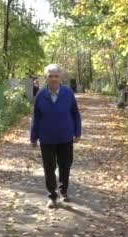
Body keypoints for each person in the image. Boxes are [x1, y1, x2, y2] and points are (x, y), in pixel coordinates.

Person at [30, 64, 82, 209]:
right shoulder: (41, 95)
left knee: (65, 165)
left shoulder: (68, 93)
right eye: (50, 76)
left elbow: (75, 114)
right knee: (49, 167)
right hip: (47, 138)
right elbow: (37, 117)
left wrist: (77, 132)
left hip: (65, 137)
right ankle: (52, 196)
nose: (54, 79)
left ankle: (63, 191)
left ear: (61, 78)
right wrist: (33, 137)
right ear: (47, 78)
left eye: (56, 76)